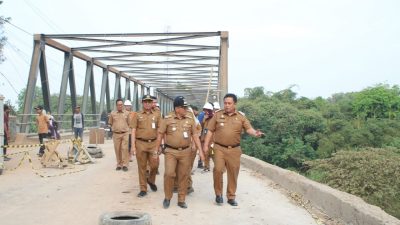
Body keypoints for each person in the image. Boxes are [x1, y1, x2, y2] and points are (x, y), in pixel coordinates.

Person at [203, 93, 264, 206]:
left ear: (234, 104)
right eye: (225, 103)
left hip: (235, 150)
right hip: (219, 148)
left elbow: (249, 129)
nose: (226, 105)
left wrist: (256, 133)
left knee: (233, 173)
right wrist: (206, 145)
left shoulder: (241, 117)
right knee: (218, 169)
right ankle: (218, 194)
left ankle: (231, 196)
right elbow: (210, 130)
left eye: (229, 103)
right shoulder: (217, 115)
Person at [155, 96, 203, 209]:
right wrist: (156, 149)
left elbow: (195, 136)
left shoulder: (190, 119)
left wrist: (200, 151)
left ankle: (181, 199)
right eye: (184, 107)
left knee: (183, 175)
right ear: (177, 108)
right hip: (171, 151)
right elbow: (160, 135)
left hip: (186, 152)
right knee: (169, 174)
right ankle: (167, 197)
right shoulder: (167, 118)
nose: (186, 109)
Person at [130, 94, 161, 198]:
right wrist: (133, 146)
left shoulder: (157, 114)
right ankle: (143, 188)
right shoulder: (137, 115)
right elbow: (133, 130)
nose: (147, 103)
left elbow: (160, 131)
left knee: (155, 165)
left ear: (152, 103)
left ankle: (151, 180)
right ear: (142, 103)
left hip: (153, 143)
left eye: (149, 101)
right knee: (142, 167)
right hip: (141, 143)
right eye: (145, 101)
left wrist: (160, 145)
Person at [108, 99, 130, 171]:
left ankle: (125, 165)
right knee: (117, 149)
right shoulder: (113, 113)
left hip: (125, 134)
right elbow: (110, 123)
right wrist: (111, 130)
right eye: (118, 105)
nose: (120, 106)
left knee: (125, 149)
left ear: (123, 105)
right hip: (116, 134)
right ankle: (119, 164)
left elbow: (129, 123)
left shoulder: (127, 113)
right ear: (116, 105)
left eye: (121, 104)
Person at [200, 102, 214, 171]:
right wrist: (203, 120)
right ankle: (206, 166)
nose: (205, 112)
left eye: (206, 110)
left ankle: (219, 166)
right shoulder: (205, 118)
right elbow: (201, 127)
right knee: (205, 153)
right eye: (204, 110)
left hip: (212, 139)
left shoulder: (214, 118)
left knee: (212, 153)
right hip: (204, 138)